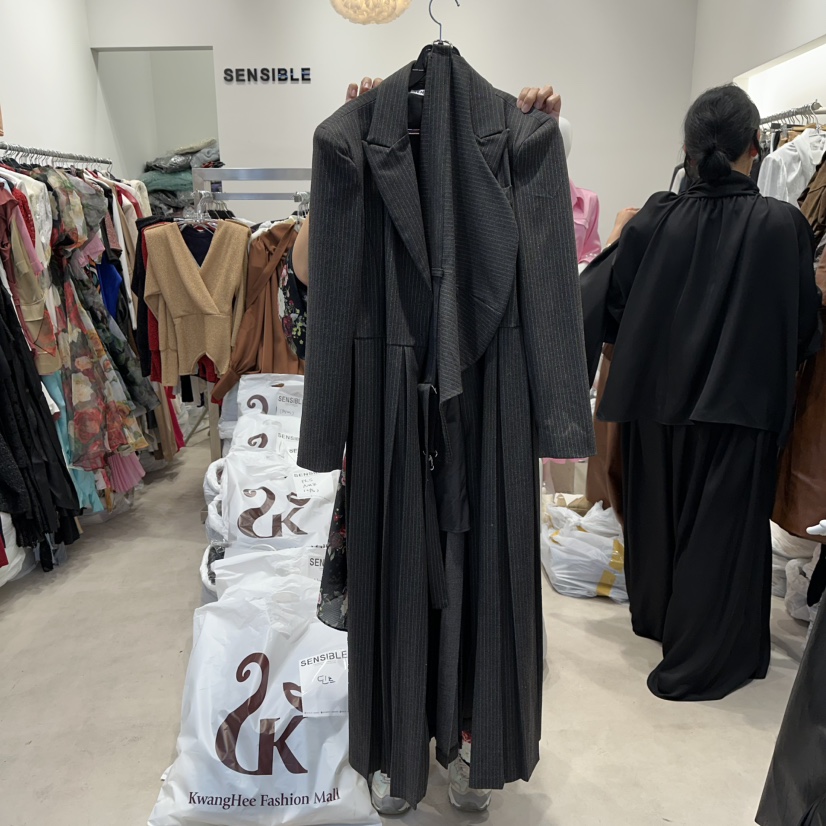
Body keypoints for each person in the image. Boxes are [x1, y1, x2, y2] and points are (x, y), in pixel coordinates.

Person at [580, 84, 821, 702]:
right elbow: (803, 330)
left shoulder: (653, 220)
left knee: (656, 521)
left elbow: (612, 309)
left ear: (686, 149)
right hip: (738, 409)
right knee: (720, 536)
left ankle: (658, 622)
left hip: (653, 405)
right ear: (755, 146)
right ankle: (705, 654)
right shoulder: (781, 226)